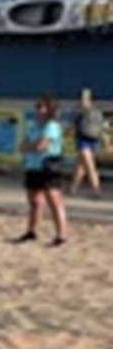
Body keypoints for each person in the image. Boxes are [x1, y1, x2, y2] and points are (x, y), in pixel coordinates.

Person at [15, 94, 68, 246]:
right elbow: (23, 145)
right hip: (33, 165)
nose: (40, 110)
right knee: (34, 201)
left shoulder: (52, 126)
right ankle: (32, 231)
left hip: (48, 165)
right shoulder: (32, 125)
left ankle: (61, 234)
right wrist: (31, 147)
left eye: (43, 107)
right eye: (38, 107)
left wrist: (31, 147)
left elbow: (42, 146)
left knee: (54, 200)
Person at [69, 88, 103, 199]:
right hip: (82, 140)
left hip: (92, 139)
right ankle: (94, 189)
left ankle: (76, 189)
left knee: (83, 166)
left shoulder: (95, 111)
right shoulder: (78, 111)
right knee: (88, 164)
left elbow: (101, 127)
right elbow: (72, 126)